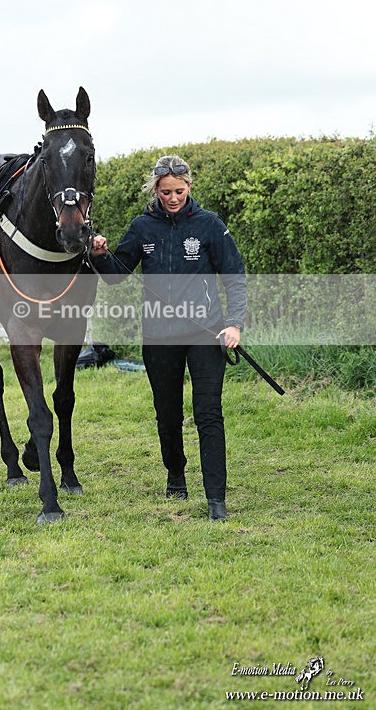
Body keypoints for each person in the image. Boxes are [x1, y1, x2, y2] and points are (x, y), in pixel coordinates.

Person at [90, 154, 246, 521]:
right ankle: (176, 475)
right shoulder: (142, 227)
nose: (172, 198)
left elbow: (234, 277)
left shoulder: (210, 225)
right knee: (168, 414)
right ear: (155, 191)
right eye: (165, 192)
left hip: (207, 333)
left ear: (189, 187)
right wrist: (98, 254)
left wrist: (234, 323)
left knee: (209, 413)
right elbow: (116, 274)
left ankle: (215, 500)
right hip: (159, 336)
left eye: (178, 191)